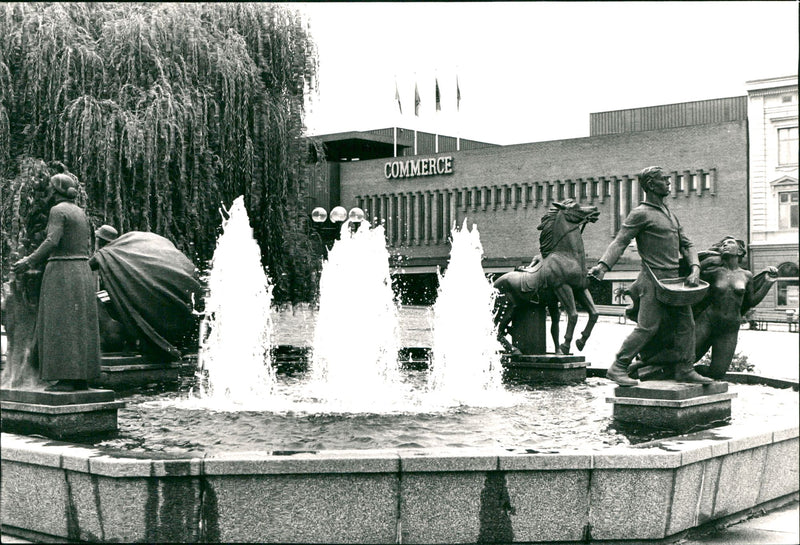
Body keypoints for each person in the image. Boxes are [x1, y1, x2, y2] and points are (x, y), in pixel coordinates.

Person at [587, 166, 712, 386]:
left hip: (675, 283)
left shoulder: (670, 214)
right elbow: (620, 241)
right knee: (647, 328)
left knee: (687, 326)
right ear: (652, 185)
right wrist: (603, 266)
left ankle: (685, 369)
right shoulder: (640, 213)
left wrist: (695, 268)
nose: (669, 182)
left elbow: (688, 244)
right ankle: (618, 367)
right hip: (653, 281)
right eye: (664, 179)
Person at [12, 173, 100, 391]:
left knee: (59, 323)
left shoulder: (57, 211)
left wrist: (28, 261)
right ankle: (80, 378)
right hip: (81, 271)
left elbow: (52, 240)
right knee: (78, 325)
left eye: (50, 187)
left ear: (56, 190)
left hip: (61, 271)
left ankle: (65, 378)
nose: (48, 191)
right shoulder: (80, 212)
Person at [692, 236, 778, 379]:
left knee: (717, 373)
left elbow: (751, 301)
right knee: (685, 358)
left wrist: (768, 283)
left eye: (730, 243)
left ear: (740, 251)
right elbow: (693, 279)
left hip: (730, 326)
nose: (725, 245)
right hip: (708, 321)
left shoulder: (747, 275)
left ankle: (694, 373)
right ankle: (655, 368)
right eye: (723, 244)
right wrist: (708, 261)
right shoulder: (713, 273)